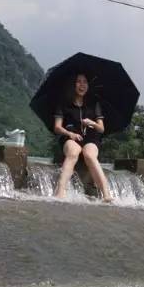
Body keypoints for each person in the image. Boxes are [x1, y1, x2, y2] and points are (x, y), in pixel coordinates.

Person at [52, 72, 114, 203]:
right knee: (73, 152)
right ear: (72, 85)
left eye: (85, 82)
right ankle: (60, 192)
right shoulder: (63, 103)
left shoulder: (94, 104)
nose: (82, 85)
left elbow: (101, 128)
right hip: (71, 137)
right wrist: (70, 134)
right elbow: (57, 127)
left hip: (91, 138)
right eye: (78, 81)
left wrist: (91, 123)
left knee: (90, 155)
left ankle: (106, 194)